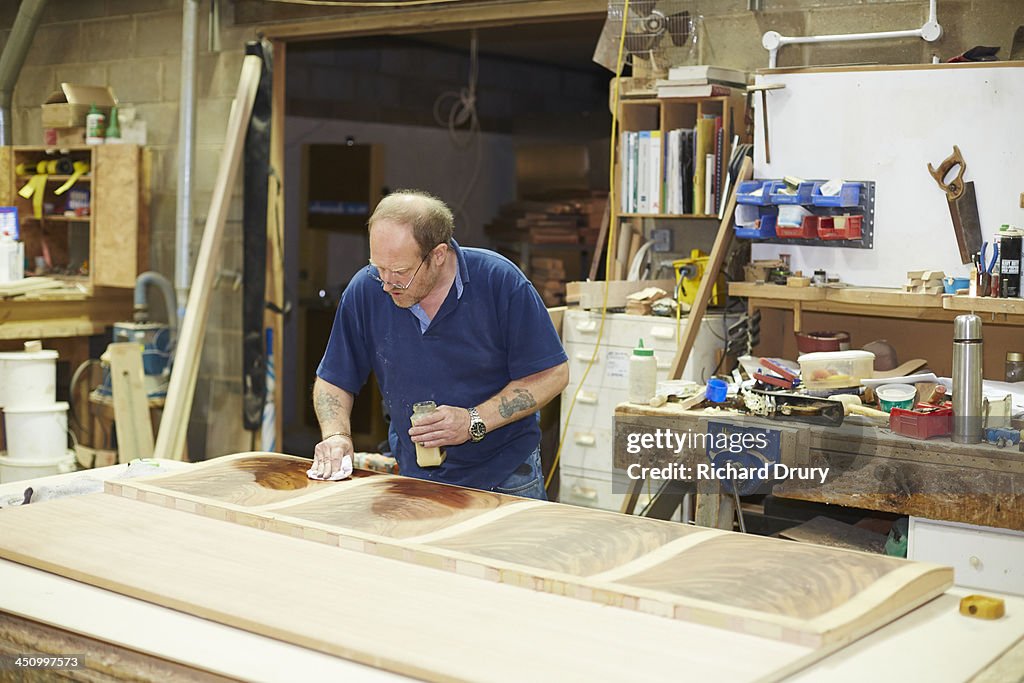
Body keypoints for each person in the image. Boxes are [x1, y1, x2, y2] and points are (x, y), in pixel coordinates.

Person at [311, 190, 569, 499]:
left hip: (505, 473)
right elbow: (333, 379)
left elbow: (553, 373)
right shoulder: (367, 289)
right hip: (416, 473)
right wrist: (337, 435)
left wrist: (474, 420)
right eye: (378, 267)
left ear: (438, 255)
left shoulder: (500, 282)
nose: (387, 283)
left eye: (401, 272)